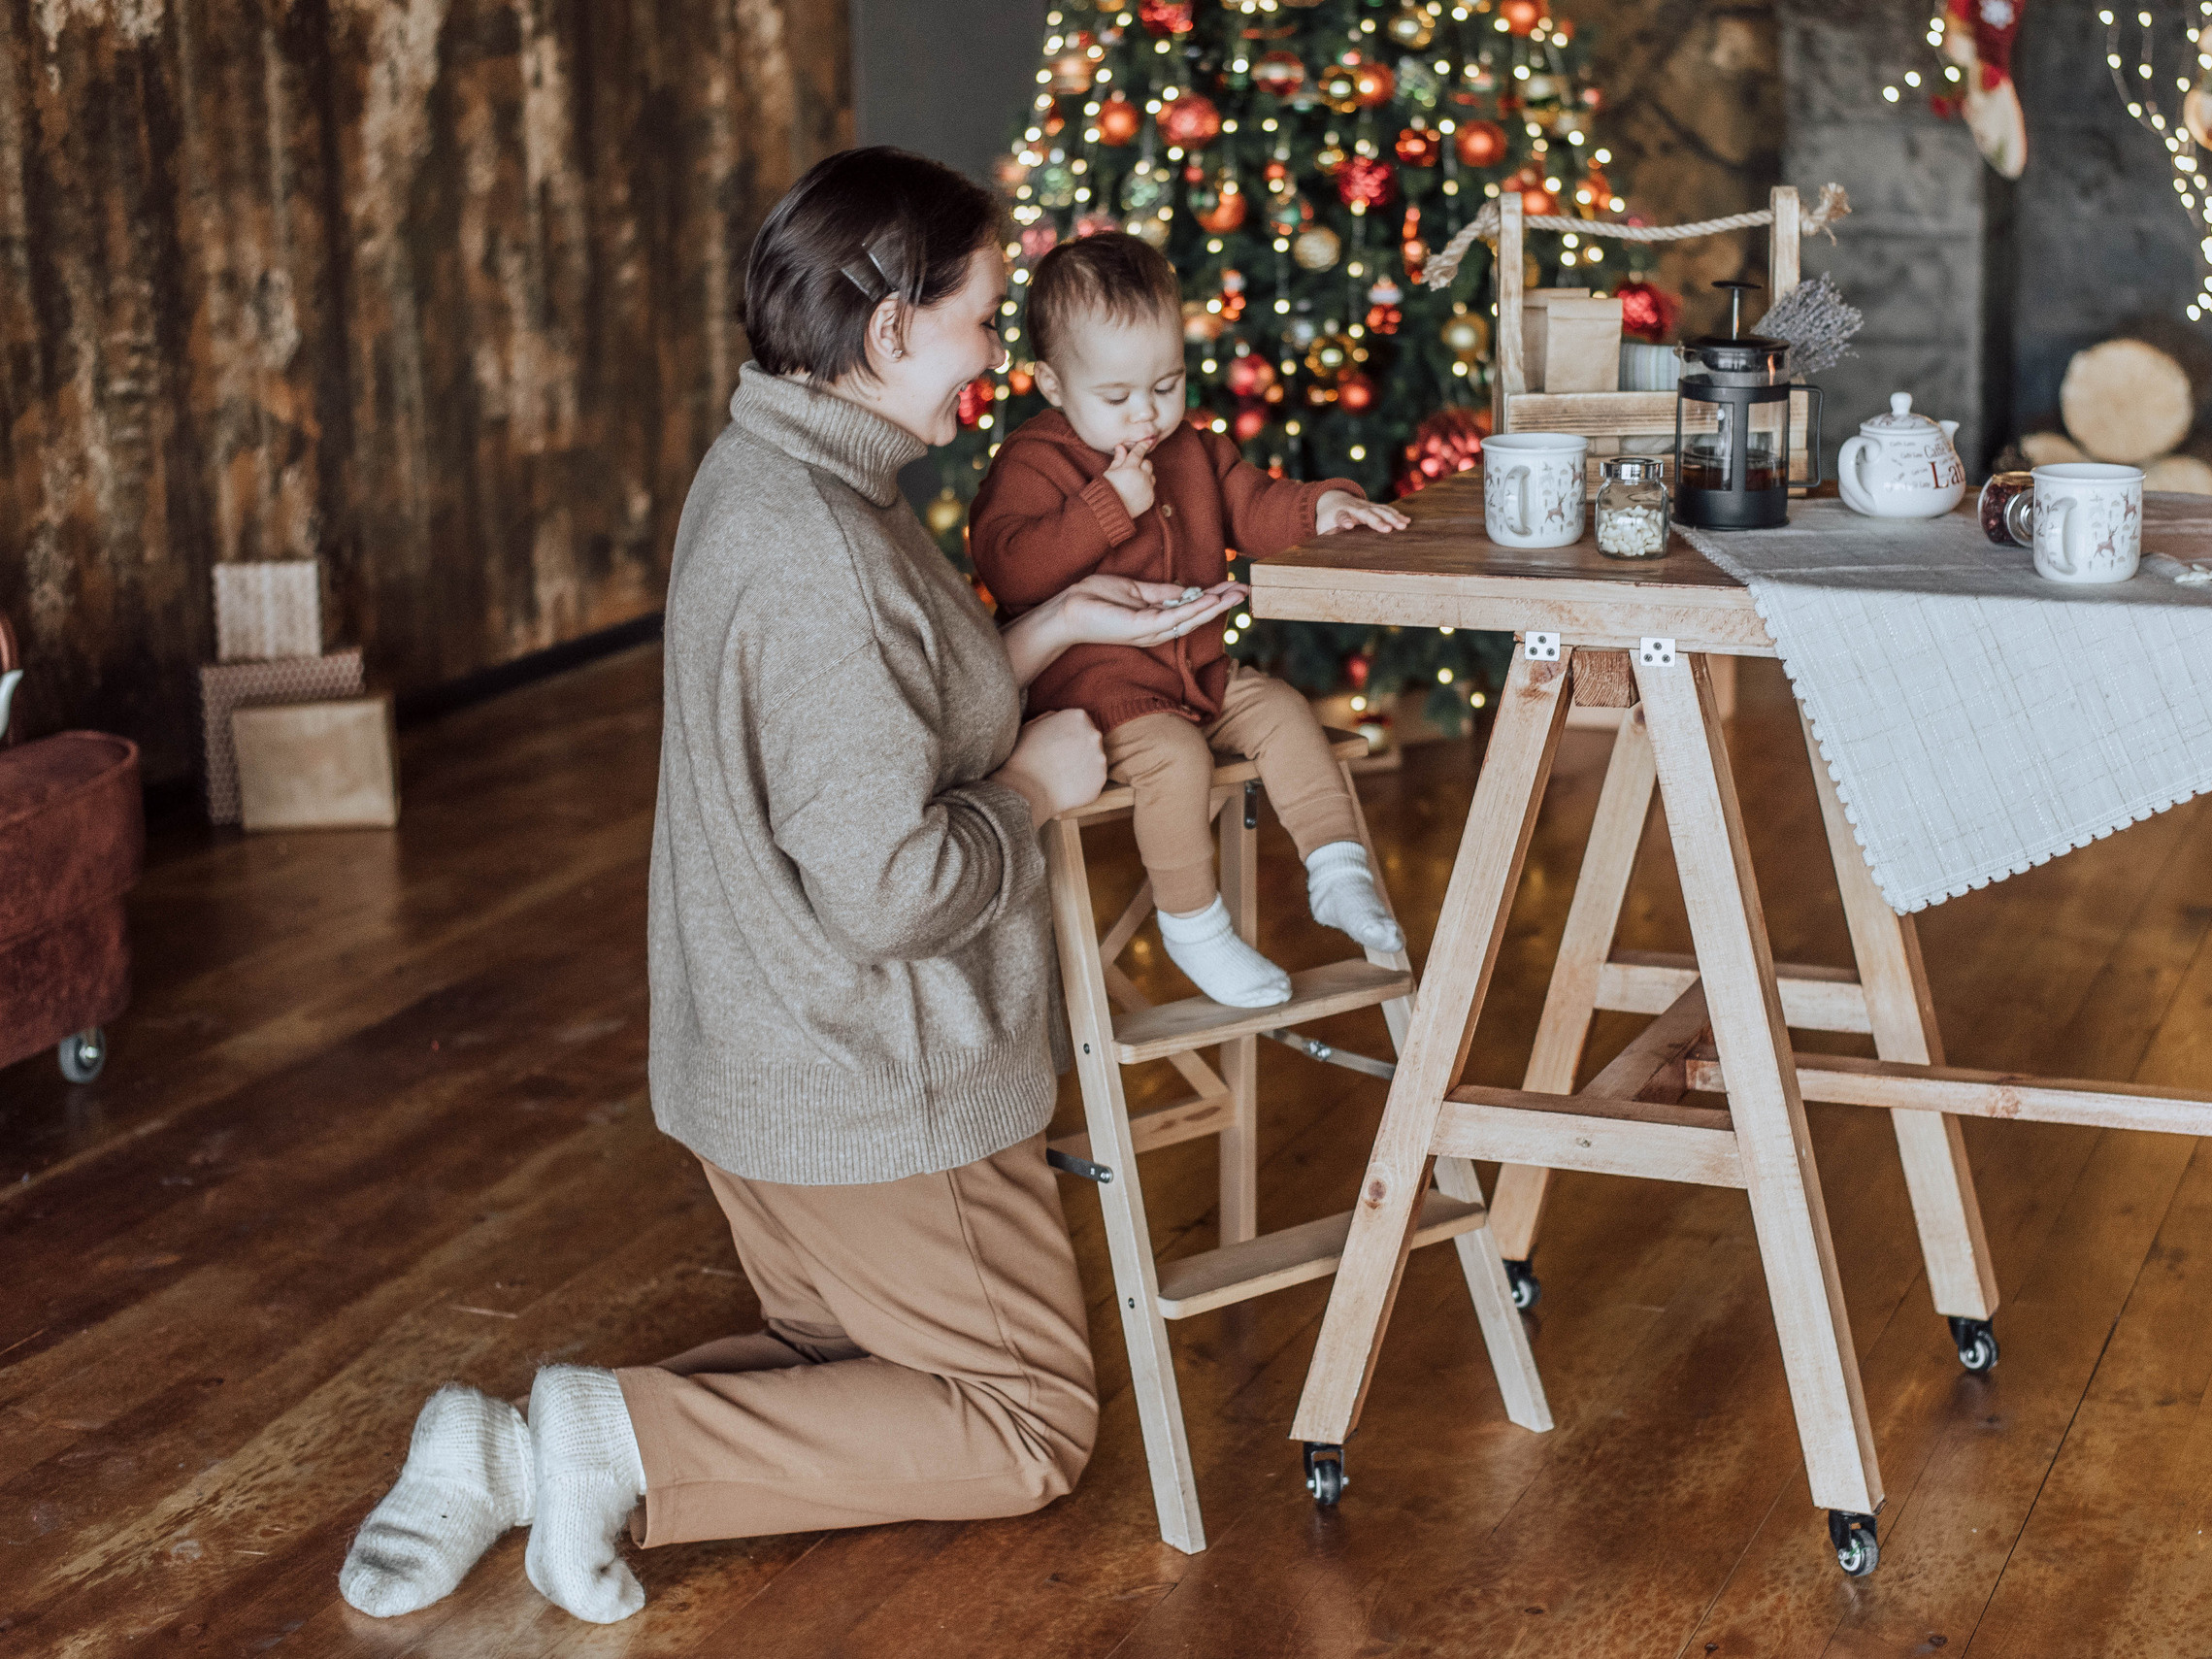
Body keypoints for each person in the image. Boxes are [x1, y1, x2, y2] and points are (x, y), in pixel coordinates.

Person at [337, 149, 1242, 1626]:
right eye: (980, 318)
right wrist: (1034, 786)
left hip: (763, 1066)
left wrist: (1054, 620)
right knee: (1021, 1423)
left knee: (854, 1373)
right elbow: (890, 885)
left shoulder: (780, 471)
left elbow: (866, 729)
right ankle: (607, 1435)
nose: (991, 355)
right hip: (868, 1077)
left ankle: (506, 1454)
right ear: (890, 331)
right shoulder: (823, 548)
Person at [968, 233, 1409, 1010]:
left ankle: (1338, 872)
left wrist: (1322, 505)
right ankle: (1194, 928)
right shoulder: (1032, 463)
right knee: (1175, 758)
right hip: (1098, 695)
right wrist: (1104, 508)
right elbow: (1010, 566)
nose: (1147, 415)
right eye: (1117, 398)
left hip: (1201, 672)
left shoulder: (1192, 451)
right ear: (1053, 384)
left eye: (1166, 385)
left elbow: (1256, 503)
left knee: (1278, 707)